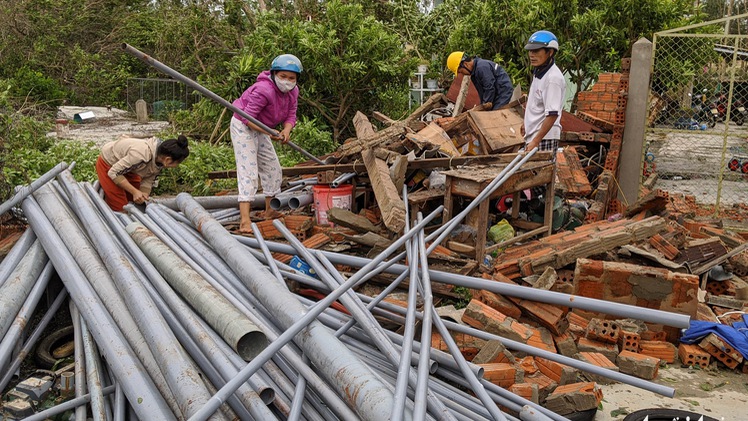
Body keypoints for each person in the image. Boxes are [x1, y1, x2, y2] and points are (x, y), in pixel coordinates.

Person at [230, 53, 301, 233]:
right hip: (244, 125)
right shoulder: (263, 90)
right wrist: (271, 132)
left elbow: (291, 114)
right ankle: (245, 221)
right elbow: (248, 118)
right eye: (283, 76)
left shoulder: (293, 91)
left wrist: (286, 131)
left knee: (273, 168)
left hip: (264, 128)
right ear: (274, 74)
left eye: (291, 78)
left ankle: (270, 212)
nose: (287, 81)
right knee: (249, 170)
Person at [96, 135, 190, 212]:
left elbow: (149, 179)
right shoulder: (141, 154)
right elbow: (114, 172)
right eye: (177, 163)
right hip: (110, 164)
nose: (176, 166)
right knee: (120, 204)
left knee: (135, 200)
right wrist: (135, 192)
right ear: (168, 160)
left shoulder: (159, 159)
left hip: (130, 168)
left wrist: (144, 194)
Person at [522, 30, 566, 155]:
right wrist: (525, 123)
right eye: (530, 51)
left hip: (543, 138)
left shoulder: (553, 79)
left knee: (538, 174)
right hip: (535, 136)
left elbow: (552, 114)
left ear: (550, 52)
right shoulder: (540, 72)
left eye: (536, 51)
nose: (531, 55)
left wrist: (536, 141)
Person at [446, 51, 514, 110]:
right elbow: (482, 92)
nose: (462, 74)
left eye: (461, 71)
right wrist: (483, 105)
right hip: (497, 92)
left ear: (465, 64)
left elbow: (489, 87)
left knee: (495, 114)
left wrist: (485, 106)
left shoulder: (481, 67)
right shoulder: (474, 72)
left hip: (503, 91)